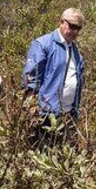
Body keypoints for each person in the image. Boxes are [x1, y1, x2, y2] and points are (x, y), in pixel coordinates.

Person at [22, 8, 86, 147]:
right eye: (72, 26)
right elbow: (31, 79)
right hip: (45, 114)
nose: (75, 31)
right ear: (62, 22)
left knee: (63, 159)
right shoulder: (43, 44)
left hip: (68, 115)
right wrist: (32, 110)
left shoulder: (75, 51)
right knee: (42, 155)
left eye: (78, 28)